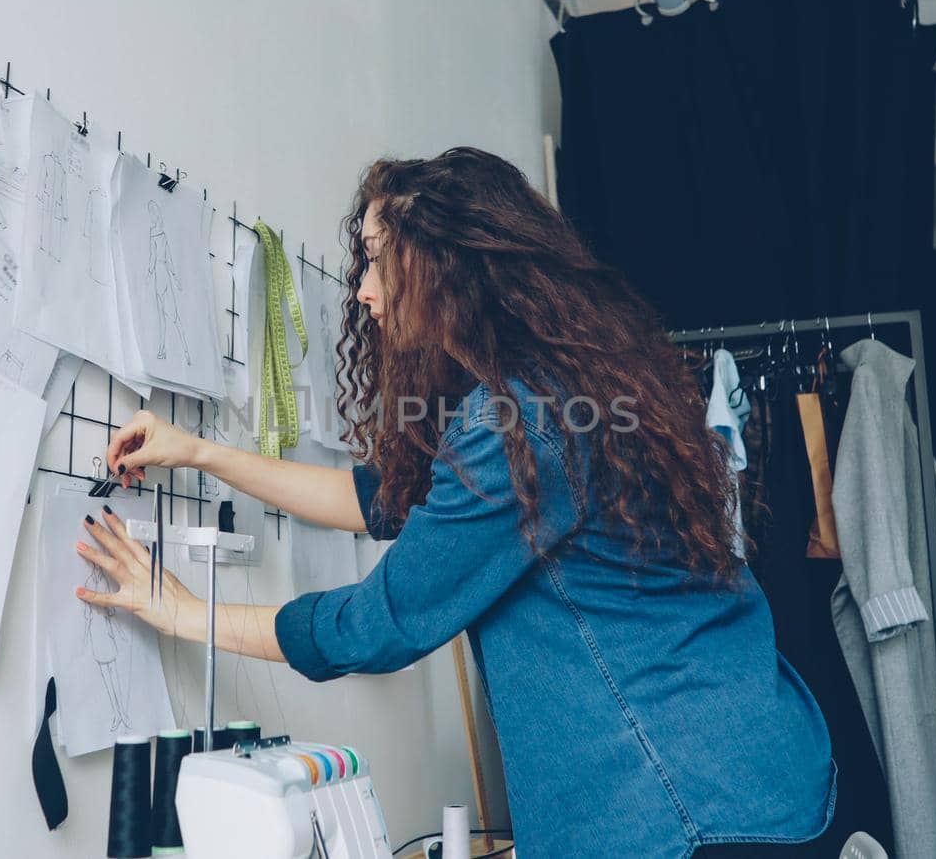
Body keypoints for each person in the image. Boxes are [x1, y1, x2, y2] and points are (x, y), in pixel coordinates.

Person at [73, 148, 837, 857]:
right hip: (762, 772)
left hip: (680, 805)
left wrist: (184, 614)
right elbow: (379, 500)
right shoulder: (570, 390)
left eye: (375, 260)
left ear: (445, 263)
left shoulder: (519, 422)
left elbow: (378, 625)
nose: (363, 291)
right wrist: (201, 452)